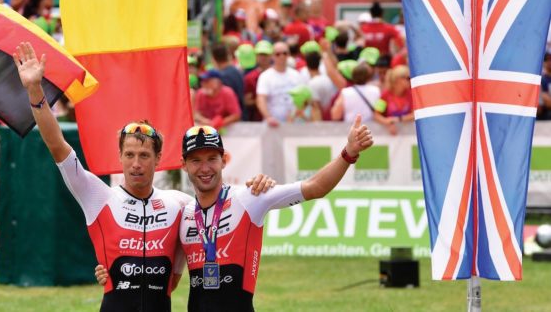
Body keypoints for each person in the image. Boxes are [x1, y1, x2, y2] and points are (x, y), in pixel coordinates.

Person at [12, 42, 273, 312]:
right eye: (130, 155)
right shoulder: (97, 196)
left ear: (158, 159)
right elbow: (58, 147)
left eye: (144, 156)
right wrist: (34, 90)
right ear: (120, 156)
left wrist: (258, 184)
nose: (136, 164)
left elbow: (219, 207)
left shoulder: (180, 205)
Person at [96, 120, 374, 311]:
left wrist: (348, 153)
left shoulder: (250, 197)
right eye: (196, 160)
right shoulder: (184, 212)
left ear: (223, 160)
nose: (204, 168)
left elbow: (316, 187)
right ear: (183, 165)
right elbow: (168, 279)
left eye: (211, 159)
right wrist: (111, 273)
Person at [256, 42, 304, 126]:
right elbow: (261, 99)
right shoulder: (265, 76)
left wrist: (296, 114)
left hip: (293, 123)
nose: (282, 56)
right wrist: (268, 117)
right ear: (272, 56)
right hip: (273, 124)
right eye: (278, 54)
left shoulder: (296, 75)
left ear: (288, 55)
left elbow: (303, 98)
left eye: (284, 53)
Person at [374, 65, 413, 135]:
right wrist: (387, 122)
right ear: (398, 79)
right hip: (389, 136)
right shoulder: (385, 95)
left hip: (408, 134)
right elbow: (376, 115)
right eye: (408, 78)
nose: (410, 80)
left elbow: (414, 114)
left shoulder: (410, 94)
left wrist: (398, 119)